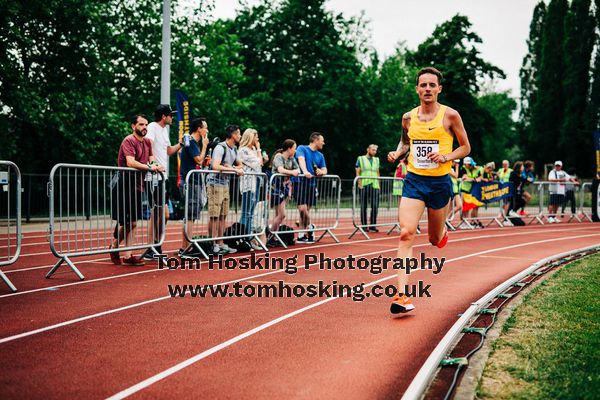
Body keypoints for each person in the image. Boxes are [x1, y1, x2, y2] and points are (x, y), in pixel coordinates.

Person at [386, 67, 471, 315]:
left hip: (439, 183)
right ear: (417, 89)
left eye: (432, 85)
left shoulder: (450, 116)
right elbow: (405, 142)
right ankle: (402, 295)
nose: (427, 89)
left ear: (439, 89)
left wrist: (446, 155)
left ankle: (442, 232)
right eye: (423, 85)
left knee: (434, 240)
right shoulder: (408, 118)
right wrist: (397, 152)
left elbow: (465, 147)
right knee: (405, 233)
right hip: (414, 180)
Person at [110, 114, 165, 266]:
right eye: (141, 124)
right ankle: (116, 247)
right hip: (123, 185)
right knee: (127, 222)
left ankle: (126, 254)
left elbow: (151, 158)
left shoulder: (147, 142)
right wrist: (149, 167)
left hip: (138, 186)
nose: (145, 127)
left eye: (146, 124)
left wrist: (156, 165)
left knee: (133, 223)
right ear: (133, 126)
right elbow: (130, 162)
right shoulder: (129, 140)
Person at [142, 104, 184, 260]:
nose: (172, 117)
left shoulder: (164, 130)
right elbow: (148, 145)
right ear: (164, 117)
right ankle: (151, 247)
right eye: (170, 115)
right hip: (153, 176)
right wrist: (153, 165)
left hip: (162, 177)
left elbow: (168, 151)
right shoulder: (152, 126)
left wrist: (181, 144)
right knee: (156, 212)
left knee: (164, 214)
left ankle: (156, 244)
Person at [206, 125, 244, 254]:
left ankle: (221, 242)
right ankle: (213, 244)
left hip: (225, 184)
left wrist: (232, 167)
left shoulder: (234, 149)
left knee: (223, 215)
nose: (240, 136)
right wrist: (233, 169)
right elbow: (215, 166)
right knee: (214, 216)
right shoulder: (220, 147)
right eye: (239, 134)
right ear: (233, 135)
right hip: (214, 183)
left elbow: (240, 165)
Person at [178, 117, 209, 256]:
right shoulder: (191, 142)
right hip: (190, 183)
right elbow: (199, 159)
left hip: (192, 182)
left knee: (190, 215)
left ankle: (186, 246)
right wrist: (205, 145)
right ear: (199, 129)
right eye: (205, 127)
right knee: (190, 215)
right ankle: (186, 247)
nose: (207, 130)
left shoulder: (190, 142)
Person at [294, 132, 327, 243]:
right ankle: (311, 227)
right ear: (316, 140)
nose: (323, 143)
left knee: (306, 210)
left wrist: (321, 172)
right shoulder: (302, 148)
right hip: (300, 182)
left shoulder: (320, 155)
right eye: (322, 140)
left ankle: (301, 235)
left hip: (312, 184)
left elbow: (325, 170)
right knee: (302, 209)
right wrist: (305, 172)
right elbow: (301, 160)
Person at [268, 140, 300, 247]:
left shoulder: (291, 158)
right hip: (276, 187)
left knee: (279, 215)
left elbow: (298, 169)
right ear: (289, 148)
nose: (295, 150)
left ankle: (273, 235)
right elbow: (280, 169)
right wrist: (292, 173)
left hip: (284, 187)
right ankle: (271, 235)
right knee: (282, 214)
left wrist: (294, 173)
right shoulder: (279, 157)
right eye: (294, 148)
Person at [237, 128, 264, 250]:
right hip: (249, 183)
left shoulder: (252, 150)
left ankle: (249, 238)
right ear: (250, 137)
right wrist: (259, 150)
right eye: (256, 136)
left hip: (257, 181)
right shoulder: (243, 150)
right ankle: (243, 237)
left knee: (251, 212)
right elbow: (257, 163)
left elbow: (261, 162)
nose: (257, 139)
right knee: (246, 212)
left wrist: (259, 155)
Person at [355, 144, 381, 232]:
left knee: (375, 206)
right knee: (364, 206)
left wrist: (379, 185)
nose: (374, 152)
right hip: (364, 185)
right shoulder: (360, 159)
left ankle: (373, 225)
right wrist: (359, 184)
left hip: (374, 185)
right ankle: (364, 226)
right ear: (368, 149)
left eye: (376, 150)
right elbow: (357, 172)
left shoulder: (377, 160)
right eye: (373, 150)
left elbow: (377, 172)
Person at [460, 156, 483, 228]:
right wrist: (474, 179)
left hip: (472, 190)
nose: (466, 165)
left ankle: (468, 221)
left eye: (468, 164)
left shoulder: (477, 169)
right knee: (463, 207)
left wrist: (473, 179)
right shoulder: (463, 168)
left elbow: (480, 178)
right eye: (465, 164)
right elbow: (465, 177)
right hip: (464, 189)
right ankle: (463, 222)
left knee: (469, 206)